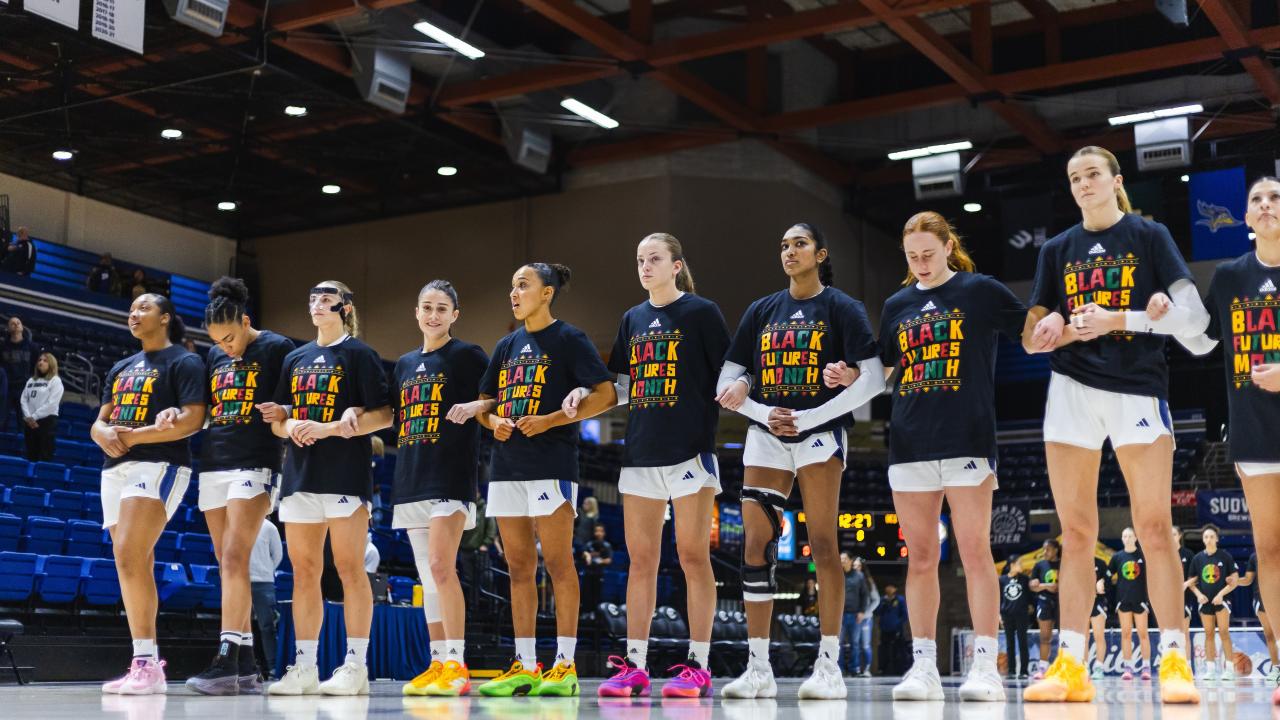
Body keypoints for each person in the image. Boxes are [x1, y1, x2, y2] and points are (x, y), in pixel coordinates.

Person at [1021, 146, 1207, 705]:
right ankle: (1071, 664)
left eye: (1093, 174)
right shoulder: (1056, 250)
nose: (1083, 183)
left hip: (1137, 387)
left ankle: (1175, 657)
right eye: (1074, 177)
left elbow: (1195, 320)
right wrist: (1053, 322)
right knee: (1075, 534)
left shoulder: (1150, 237)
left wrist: (1124, 319)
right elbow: (1032, 335)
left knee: (1154, 528)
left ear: (1115, 180)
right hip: (1071, 390)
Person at [718, 223, 884, 700]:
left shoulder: (842, 307)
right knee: (755, 542)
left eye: (799, 244)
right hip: (767, 432)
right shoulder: (761, 310)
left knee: (824, 544)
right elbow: (726, 382)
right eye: (784, 244)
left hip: (820, 432)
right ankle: (758, 668)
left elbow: (872, 380)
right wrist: (762, 410)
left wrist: (812, 416)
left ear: (820, 253)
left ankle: (829, 665)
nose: (789, 251)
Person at [876, 211, 1028, 702]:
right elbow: (881, 371)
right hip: (910, 443)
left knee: (974, 552)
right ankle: (923, 666)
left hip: (967, 438)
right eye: (911, 256)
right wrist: (845, 376)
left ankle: (987, 665)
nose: (920, 263)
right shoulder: (896, 304)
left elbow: (1029, 330)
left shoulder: (979, 291)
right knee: (920, 558)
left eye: (928, 253)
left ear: (947, 247)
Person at [575, 233, 729, 699]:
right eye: (640, 259)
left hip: (689, 451)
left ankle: (698, 665)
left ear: (676, 265)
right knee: (641, 562)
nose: (645, 267)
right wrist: (585, 395)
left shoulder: (703, 313)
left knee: (692, 557)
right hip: (640, 454)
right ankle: (635, 666)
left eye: (654, 259)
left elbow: (728, 374)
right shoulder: (632, 319)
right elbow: (621, 387)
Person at [474, 263, 616, 698]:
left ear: (547, 292)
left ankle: (565, 665)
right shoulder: (505, 345)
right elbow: (483, 403)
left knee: (558, 564)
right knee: (518, 568)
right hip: (506, 466)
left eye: (523, 285)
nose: (514, 293)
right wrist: (494, 420)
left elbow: (606, 395)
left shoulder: (570, 339)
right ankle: (525, 663)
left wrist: (552, 419)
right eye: (511, 286)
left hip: (552, 463)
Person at [265, 281, 391, 697]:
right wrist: (291, 427)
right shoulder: (296, 358)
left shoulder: (361, 355)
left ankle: (356, 667)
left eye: (325, 298)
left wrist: (334, 427)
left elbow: (386, 415)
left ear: (343, 307)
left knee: (350, 568)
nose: (316, 303)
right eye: (312, 297)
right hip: (300, 475)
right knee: (303, 573)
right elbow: (279, 418)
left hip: (345, 476)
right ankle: (304, 667)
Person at [1184, 175, 1280, 702]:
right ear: (1245, 218)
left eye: (1274, 198)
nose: (1265, 206)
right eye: (1256, 201)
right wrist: (1162, 314)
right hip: (1253, 433)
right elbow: (1199, 340)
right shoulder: (1228, 277)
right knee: (1270, 549)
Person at [90, 293, 205, 695]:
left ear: (165, 318)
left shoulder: (184, 362)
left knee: (128, 553)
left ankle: (145, 663)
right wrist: (103, 433)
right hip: (114, 468)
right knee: (131, 560)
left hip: (159, 463)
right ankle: (146, 663)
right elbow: (99, 422)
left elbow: (193, 419)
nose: (133, 314)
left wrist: (139, 435)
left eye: (143, 309)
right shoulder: (122, 367)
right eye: (131, 310)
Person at [184, 277, 294, 696]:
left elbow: (293, 403)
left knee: (235, 556)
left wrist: (283, 408)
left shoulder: (277, 348)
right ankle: (248, 665)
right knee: (226, 561)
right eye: (218, 341)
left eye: (230, 337)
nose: (226, 347)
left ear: (246, 321)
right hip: (215, 462)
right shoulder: (214, 355)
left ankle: (225, 658)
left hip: (257, 461)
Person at [391, 279, 490, 698]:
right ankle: (436, 662)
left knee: (440, 567)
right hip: (410, 476)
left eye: (442, 308)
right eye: (427, 307)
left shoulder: (468, 356)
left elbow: (497, 396)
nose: (433, 315)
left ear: (454, 314)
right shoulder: (403, 364)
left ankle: (457, 662)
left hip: (449, 475)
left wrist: (475, 406)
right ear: (416, 312)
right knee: (427, 578)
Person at [1186, 524, 1238, 682]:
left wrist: (1221, 595)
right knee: (1208, 634)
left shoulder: (1225, 556)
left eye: (1211, 537)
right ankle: (1210, 670)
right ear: (1203, 539)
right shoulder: (1197, 558)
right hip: (1205, 602)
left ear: (1217, 539)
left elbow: (1234, 581)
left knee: (1224, 633)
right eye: (1206, 537)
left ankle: (1229, 670)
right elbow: (1191, 582)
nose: (1208, 539)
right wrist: (1199, 595)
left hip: (1222, 601)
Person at [1109, 527, 1152, 680]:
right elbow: (1108, 575)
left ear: (1136, 538)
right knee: (1126, 634)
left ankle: (1146, 668)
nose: (1126, 538)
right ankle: (1128, 668)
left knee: (1143, 634)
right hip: (1123, 600)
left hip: (1140, 600)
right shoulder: (1117, 557)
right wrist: (1100, 582)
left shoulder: (1143, 555)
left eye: (1129, 536)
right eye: (1124, 536)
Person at [249, 518, 283, 680]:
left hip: (263, 582)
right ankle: (246, 667)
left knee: (267, 627)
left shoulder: (270, 527)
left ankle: (273, 667)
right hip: (239, 582)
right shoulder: (235, 520)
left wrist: (266, 570)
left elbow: (278, 555)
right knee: (241, 628)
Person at [1239, 552, 1280, 684]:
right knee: (1269, 635)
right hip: (1260, 598)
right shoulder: (1253, 557)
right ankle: (1276, 669)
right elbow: (1248, 580)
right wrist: (1235, 581)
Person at [20, 352, 62, 462]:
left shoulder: (55, 381)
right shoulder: (31, 380)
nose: (41, 362)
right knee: (31, 455)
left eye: (45, 360)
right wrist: (28, 416)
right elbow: (23, 399)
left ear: (51, 364)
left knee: (44, 455)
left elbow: (52, 404)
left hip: (46, 422)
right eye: (39, 360)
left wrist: (33, 416)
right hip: (30, 422)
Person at [1029, 539, 1060, 679]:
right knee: (1045, 637)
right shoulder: (1039, 565)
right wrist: (1045, 586)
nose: (1044, 552)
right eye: (1043, 549)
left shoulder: (1064, 564)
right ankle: (1042, 668)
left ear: (1055, 550)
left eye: (1047, 549)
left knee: (1064, 637)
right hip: (1045, 602)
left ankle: (1063, 667)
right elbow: (1032, 586)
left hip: (1061, 603)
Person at [459, 490, 497, 605]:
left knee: (486, 577)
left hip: (481, 551)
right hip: (465, 550)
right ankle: (472, 605)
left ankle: (490, 604)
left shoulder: (485, 508)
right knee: (469, 580)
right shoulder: (465, 508)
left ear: (479, 493)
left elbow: (491, 530)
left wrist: (485, 544)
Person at [2, 316, 36, 432]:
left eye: (18, 322)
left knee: (23, 425)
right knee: (1, 422)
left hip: (24, 389)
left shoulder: (32, 348)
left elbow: (37, 367)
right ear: (8, 328)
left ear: (22, 327)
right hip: (6, 389)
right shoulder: (2, 347)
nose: (16, 324)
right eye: (12, 323)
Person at [1000, 557, 1032, 679]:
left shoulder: (1024, 579)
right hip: (1007, 615)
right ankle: (1011, 671)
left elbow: (1029, 596)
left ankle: (1024, 671)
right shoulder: (1002, 580)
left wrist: (1030, 606)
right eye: (1019, 563)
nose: (1021, 565)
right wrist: (999, 616)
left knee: (1023, 642)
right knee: (1010, 644)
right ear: (1012, 564)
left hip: (1021, 615)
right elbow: (999, 599)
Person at [840, 553, 868, 676]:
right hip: (840, 615)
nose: (843, 561)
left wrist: (862, 611)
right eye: (841, 559)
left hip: (855, 614)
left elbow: (864, 595)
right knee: (838, 644)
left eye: (845, 559)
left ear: (850, 561)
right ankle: (839, 669)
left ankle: (854, 669)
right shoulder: (838, 576)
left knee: (855, 644)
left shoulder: (859, 576)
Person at [877, 584, 909, 675]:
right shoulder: (882, 599)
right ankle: (883, 670)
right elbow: (877, 612)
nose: (889, 588)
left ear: (895, 589)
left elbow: (905, 615)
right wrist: (883, 604)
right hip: (884, 629)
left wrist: (898, 624)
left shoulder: (900, 600)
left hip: (897, 629)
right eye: (888, 586)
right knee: (884, 650)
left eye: (891, 587)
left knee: (898, 649)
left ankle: (900, 669)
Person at [1088, 554, 1111, 680]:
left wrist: (1102, 584)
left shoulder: (1101, 563)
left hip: (1098, 603)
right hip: (1081, 603)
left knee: (1099, 636)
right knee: (1083, 637)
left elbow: (1107, 584)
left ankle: (1099, 667)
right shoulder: (1077, 562)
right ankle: (1084, 667)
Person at [856, 558, 880, 677]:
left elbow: (876, 600)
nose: (856, 568)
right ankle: (856, 669)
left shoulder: (868, 582)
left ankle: (866, 669)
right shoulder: (849, 580)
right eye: (854, 566)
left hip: (866, 619)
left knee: (865, 645)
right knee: (855, 645)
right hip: (853, 618)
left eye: (858, 566)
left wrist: (865, 614)